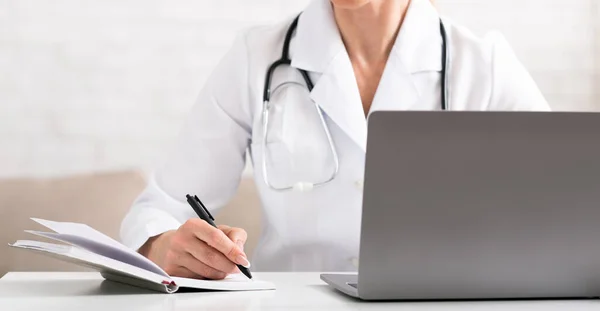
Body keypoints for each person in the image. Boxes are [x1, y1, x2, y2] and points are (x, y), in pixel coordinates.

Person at [120, 0, 550, 280]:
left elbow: (564, 207)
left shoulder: (484, 64)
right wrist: (164, 246)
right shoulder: (257, 56)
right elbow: (164, 205)